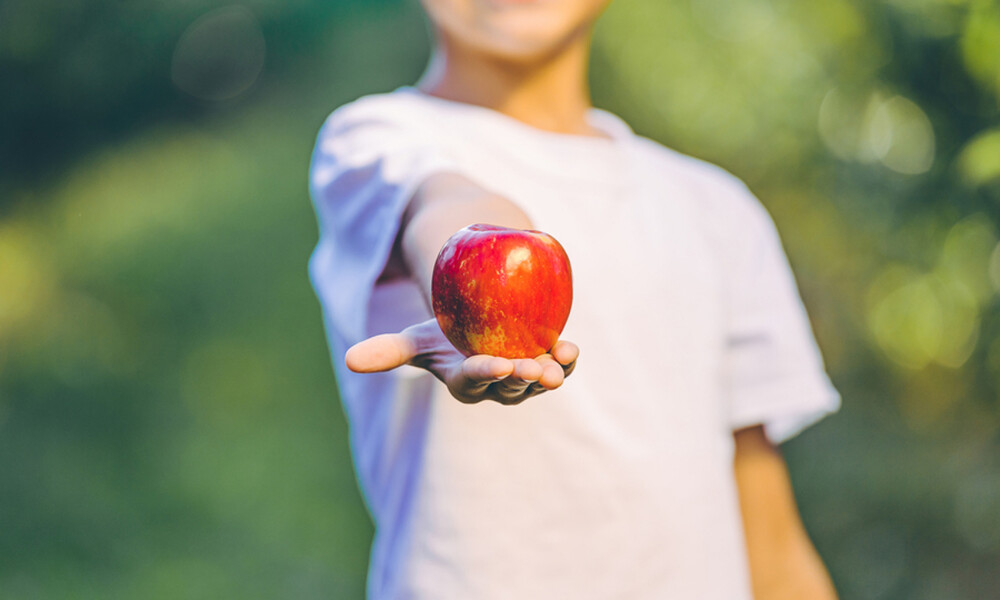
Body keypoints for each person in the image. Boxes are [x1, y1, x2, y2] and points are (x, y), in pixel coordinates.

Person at [308, 0, 841, 598]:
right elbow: (444, 202)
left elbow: (767, 525)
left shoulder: (718, 208)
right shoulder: (372, 139)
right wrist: (481, 276)